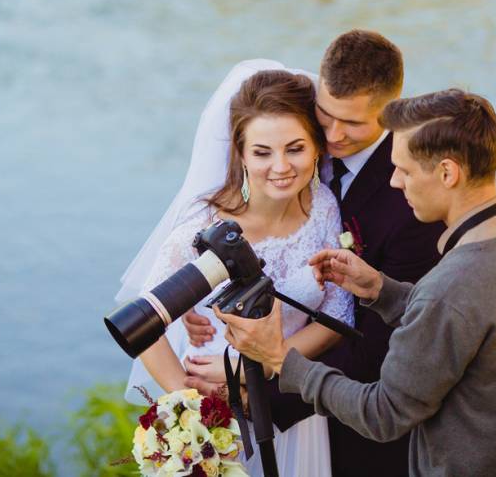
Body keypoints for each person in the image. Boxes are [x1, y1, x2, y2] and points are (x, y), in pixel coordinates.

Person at [215, 89, 496, 477]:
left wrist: (281, 358)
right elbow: (465, 320)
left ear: (448, 173)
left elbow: (382, 414)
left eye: (404, 170)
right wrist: (381, 289)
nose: (396, 182)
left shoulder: (449, 288)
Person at [182, 30, 443, 477]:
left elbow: (380, 350)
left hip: (347, 425)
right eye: (325, 114)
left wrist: (254, 385)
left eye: (354, 124)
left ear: (391, 113)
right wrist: (196, 299)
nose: (334, 135)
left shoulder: (413, 206)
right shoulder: (297, 144)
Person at [116, 63, 353, 477]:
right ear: (241, 153)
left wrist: (255, 367)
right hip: (219, 415)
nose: (280, 166)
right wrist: (189, 405)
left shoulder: (325, 210)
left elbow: (337, 317)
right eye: (262, 152)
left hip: (294, 409)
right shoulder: (205, 226)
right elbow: (142, 323)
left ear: (317, 147)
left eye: (294, 148)